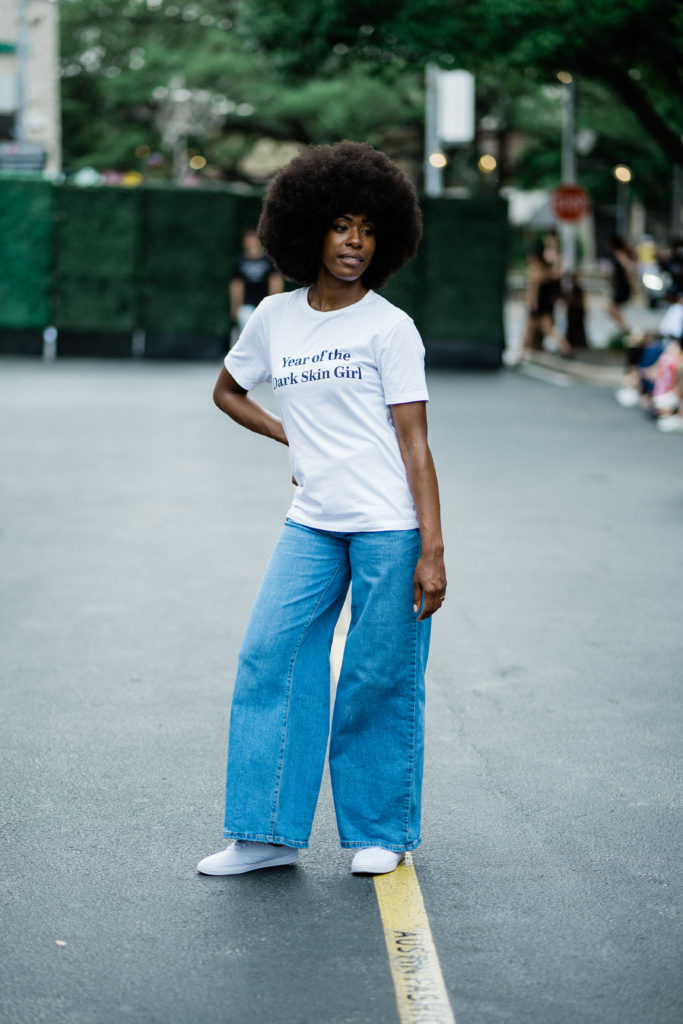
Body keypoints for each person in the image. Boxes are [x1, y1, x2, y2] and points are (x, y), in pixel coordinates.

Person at [198, 141, 446, 879]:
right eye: (341, 226)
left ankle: (380, 831)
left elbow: (416, 444)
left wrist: (431, 549)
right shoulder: (275, 317)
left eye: (368, 230)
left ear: (386, 240)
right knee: (269, 656)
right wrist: (289, 434)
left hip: (387, 526)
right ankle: (266, 832)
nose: (354, 243)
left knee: (379, 675)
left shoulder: (388, 327)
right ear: (308, 230)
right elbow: (227, 392)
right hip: (312, 521)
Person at [229, 228, 283, 343]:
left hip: (264, 304)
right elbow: (237, 286)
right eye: (248, 239)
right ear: (244, 242)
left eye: (253, 239)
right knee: (247, 328)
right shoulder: (240, 261)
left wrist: (273, 305)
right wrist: (235, 307)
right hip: (247, 305)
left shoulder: (268, 260)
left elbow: (276, 283)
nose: (251, 242)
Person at [522, 241, 574, 358]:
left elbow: (533, 288)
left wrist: (531, 303)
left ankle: (566, 348)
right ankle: (522, 354)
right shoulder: (546, 269)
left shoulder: (535, 269)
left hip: (538, 305)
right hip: (546, 304)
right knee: (536, 332)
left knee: (543, 331)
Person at [606, 233, 636, 334]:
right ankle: (624, 328)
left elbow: (629, 267)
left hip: (622, 285)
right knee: (614, 309)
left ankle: (625, 329)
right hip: (619, 285)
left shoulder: (619, 253)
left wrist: (629, 281)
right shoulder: (618, 253)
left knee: (611, 308)